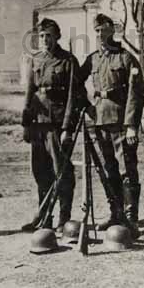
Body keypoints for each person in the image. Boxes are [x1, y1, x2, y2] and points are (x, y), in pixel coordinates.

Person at [79, 13, 144, 238]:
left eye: (103, 30)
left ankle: (131, 219)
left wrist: (131, 125)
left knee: (127, 170)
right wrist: (87, 106)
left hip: (120, 122)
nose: (99, 34)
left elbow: (136, 94)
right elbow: (75, 82)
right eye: (96, 31)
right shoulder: (93, 59)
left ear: (112, 30)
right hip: (99, 121)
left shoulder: (126, 58)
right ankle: (115, 213)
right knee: (108, 170)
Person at [21, 18, 88, 233]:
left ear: (57, 36)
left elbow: (72, 96)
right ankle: (44, 216)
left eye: (49, 35)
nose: (45, 39)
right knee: (40, 171)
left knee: (62, 171)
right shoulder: (35, 60)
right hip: (38, 123)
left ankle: (63, 218)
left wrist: (68, 127)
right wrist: (26, 123)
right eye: (41, 36)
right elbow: (30, 93)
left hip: (58, 123)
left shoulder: (68, 61)